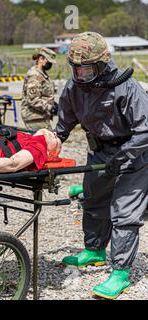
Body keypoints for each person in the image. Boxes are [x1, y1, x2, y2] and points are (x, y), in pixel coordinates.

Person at [55, 32, 148, 300]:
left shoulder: (126, 87)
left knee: (124, 213)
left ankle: (120, 272)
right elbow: (64, 121)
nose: (81, 74)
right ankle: (94, 250)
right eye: (76, 68)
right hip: (99, 152)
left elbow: (146, 130)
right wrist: (54, 140)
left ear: (102, 64)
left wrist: (125, 154)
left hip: (133, 155)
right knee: (94, 201)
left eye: (87, 69)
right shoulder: (74, 87)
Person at [21, 47, 57, 131]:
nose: (50, 64)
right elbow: (33, 99)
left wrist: (54, 104)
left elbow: (44, 94)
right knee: (45, 142)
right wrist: (50, 108)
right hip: (34, 117)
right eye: (49, 61)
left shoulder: (42, 74)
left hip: (40, 116)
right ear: (41, 59)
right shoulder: (34, 75)